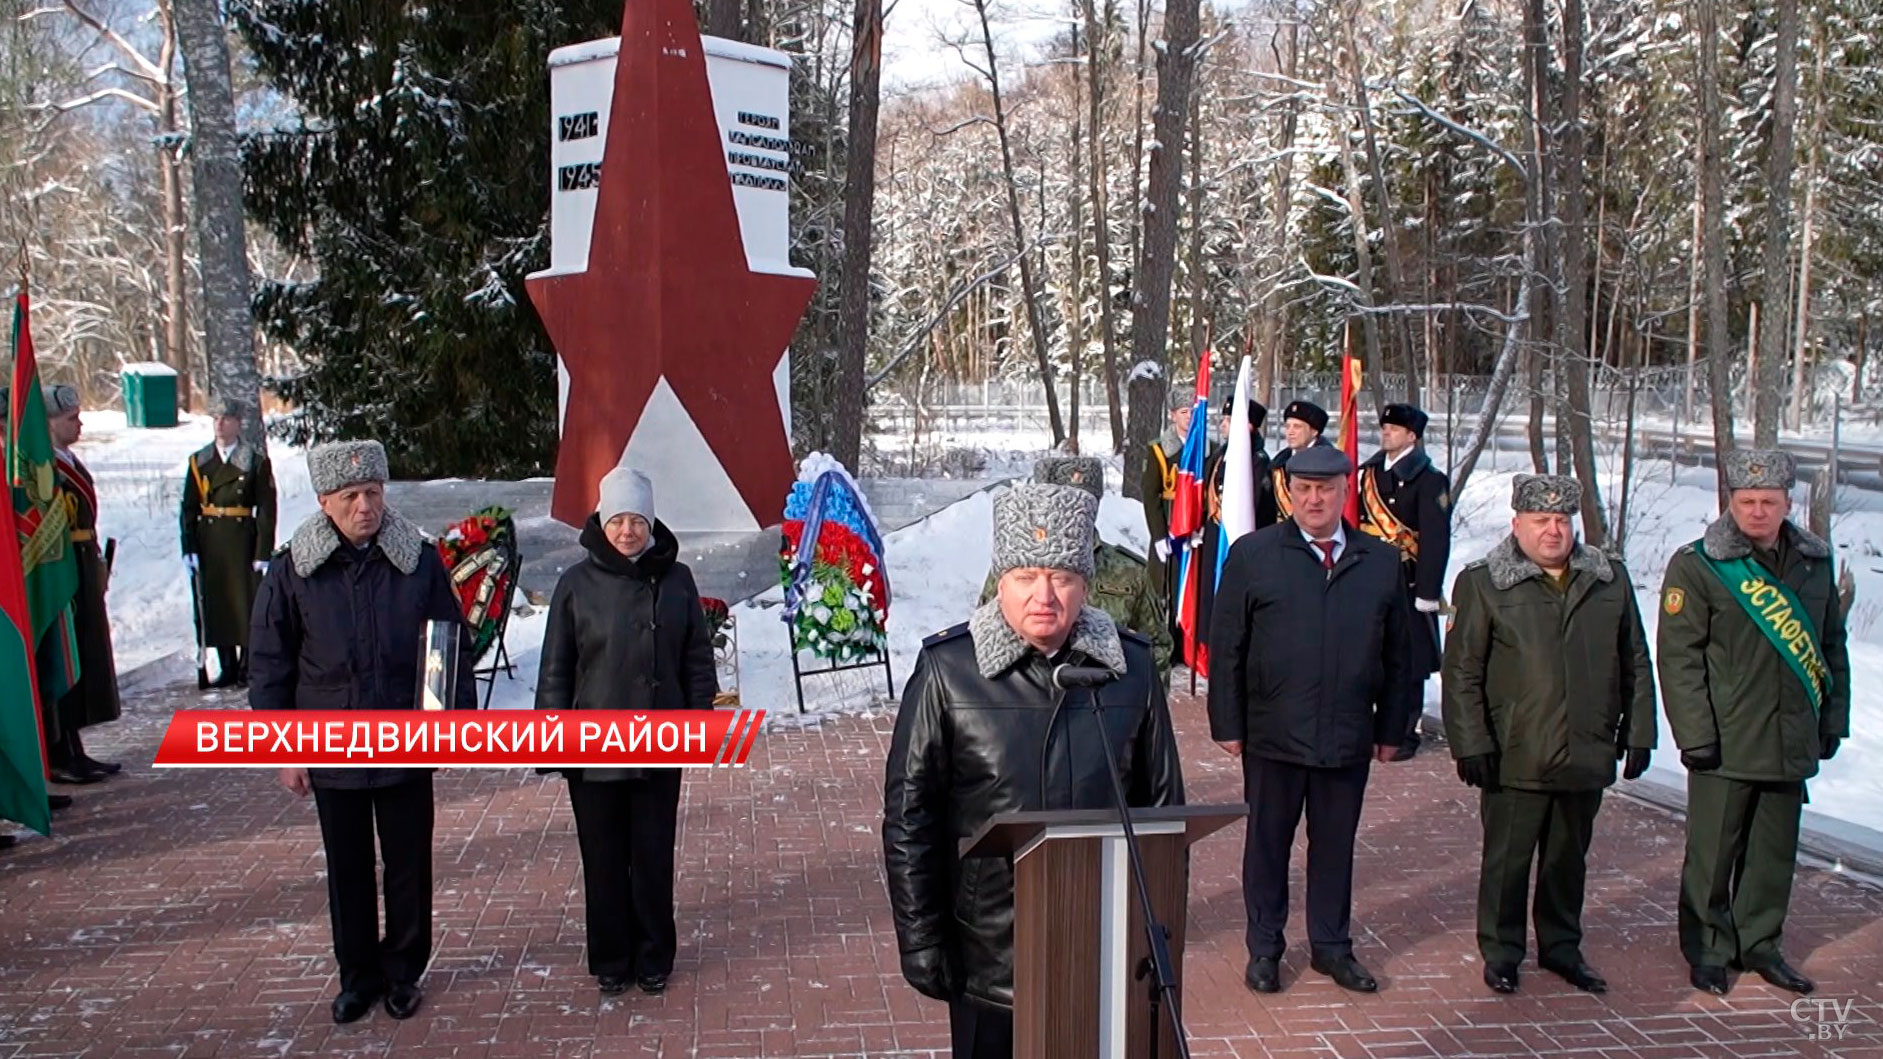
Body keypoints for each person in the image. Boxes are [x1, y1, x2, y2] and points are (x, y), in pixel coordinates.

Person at [884, 480, 1184, 1058]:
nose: (1044, 595)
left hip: (1102, 949)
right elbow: (908, 820)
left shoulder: (1130, 671)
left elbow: (1164, 812)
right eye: (1026, 577)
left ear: (1085, 586)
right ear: (1001, 584)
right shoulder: (949, 672)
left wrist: (1158, 931)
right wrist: (920, 939)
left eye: (1062, 578)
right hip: (989, 957)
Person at [248, 439, 476, 1024]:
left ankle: (403, 973)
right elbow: (271, 663)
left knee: (407, 863)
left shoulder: (417, 560)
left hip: (404, 740)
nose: (364, 507)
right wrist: (283, 750)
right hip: (331, 744)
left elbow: (447, 647)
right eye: (350, 496)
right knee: (347, 867)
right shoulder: (294, 568)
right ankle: (357, 977)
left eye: (373, 493)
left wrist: (448, 730)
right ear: (325, 502)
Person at [1206, 444, 1415, 995]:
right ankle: (1265, 949)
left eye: (1325, 489)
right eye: (1303, 488)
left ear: (1345, 491)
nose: (1314, 499)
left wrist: (1393, 729)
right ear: (1288, 492)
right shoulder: (1254, 555)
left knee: (1335, 846)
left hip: (1346, 735)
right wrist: (1227, 722)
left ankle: (1331, 946)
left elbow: (1400, 656)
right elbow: (1227, 645)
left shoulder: (1380, 561)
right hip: (1274, 734)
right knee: (1268, 845)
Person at [1441, 474, 1656, 996]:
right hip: (1516, 753)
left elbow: (1635, 660)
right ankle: (1502, 951)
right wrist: (1471, 744)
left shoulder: (1608, 579)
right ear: (1517, 524)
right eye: (1541, 521)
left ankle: (1562, 947)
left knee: (1567, 861)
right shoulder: (1485, 582)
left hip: (1586, 747)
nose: (1553, 531)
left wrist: (1640, 732)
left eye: (1562, 520)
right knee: (1508, 862)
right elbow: (1463, 671)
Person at [1657, 449, 1850, 997]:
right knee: (1713, 855)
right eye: (1747, 501)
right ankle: (1709, 950)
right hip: (1726, 739)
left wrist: (1832, 719)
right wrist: (1694, 735)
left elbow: (1831, 645)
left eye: (1769, 501)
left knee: (1772, 855)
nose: (1758, 511)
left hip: (1790, 736)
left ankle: (1761, 945)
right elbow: (1680, 658)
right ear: (1730, 502)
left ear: (1789, 503)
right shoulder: (1699, 564)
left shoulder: (1814, 562)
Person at [536, 461, 715, 997]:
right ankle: (612, 957)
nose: (628, 531)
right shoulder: (576, 585)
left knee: (654, 855)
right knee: (604, 859)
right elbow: (556, 668)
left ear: (652, 523)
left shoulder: (678, 580)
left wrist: (697, 723)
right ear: (601, 521)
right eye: (618, 520)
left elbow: (697, 659)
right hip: (593, 750)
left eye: (638, 520)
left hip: (659, 745)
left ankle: (655, 955)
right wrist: (552, 739)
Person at [977, 456, 1172, 683]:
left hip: (1102, 700)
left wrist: (1138, 705)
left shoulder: (1128, 570)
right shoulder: (1016, 570)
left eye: (1085, 499)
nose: (1073, 508)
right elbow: (988, 633)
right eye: (1063, 499)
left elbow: (1156, 647)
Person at [1356, 402, 1452, 753]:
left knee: (1408, 661)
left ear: (1412, 436)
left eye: (1394, 429)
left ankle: (1403, 733)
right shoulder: (1368, 474)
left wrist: (1428, 590)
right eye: (1384, 428)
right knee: (1371, 656)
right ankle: (1373, 729)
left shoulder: (1429, 480)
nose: (1386, 433)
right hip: (1370, 578)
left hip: (1408, 581)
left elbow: (1436, 539)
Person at [42, 384, 122, 785]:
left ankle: (75, 746)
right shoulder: (44, 468)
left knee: (84, 653)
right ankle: (61, 750)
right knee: (66, 655)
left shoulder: (67, 460)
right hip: (63, 569)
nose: (79, 423)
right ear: (49, 423)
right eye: (70, 418)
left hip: (82, 564)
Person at [180, 397, 278, 689]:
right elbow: (188, 508)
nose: (220, 425)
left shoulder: (254, 461)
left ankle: (247, 666)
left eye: (226, 419)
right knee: (217, 604)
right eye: (215, 419)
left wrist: (263, 550)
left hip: (241, 539)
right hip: (210, 540)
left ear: (238, 423)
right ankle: (227, 666)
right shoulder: (200, 461)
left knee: (244, 604)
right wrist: (189, 547)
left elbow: (267, 509)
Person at [1195, 398, 1269, 672]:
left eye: (1229, 419)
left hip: (1241, 539)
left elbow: (1257, 504)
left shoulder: (1257, 460)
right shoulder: (1219, 456)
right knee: (1210, 599)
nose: (1223, 424)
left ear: (1247, 425)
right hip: (1215, 535)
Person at [1141, 385, 1195, 664]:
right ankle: (1163, 645)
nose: (1190, 417)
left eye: (1194, 411)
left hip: (1194, 532)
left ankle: (1189, 647)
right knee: (1163, 588)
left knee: (1189, 590)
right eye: (1185, 412)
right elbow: (1150, 496)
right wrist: (1159, 535)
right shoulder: (1160, 450)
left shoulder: (1206, 449)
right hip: (1169, 525)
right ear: (1173, 415)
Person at [1257, 399, 1331, 526]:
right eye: (1287, 426)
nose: (1290, 432)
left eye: (1297, 427)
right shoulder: (1278, 464)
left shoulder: (1329, 463)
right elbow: (1267, 510)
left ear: (1314, 431)